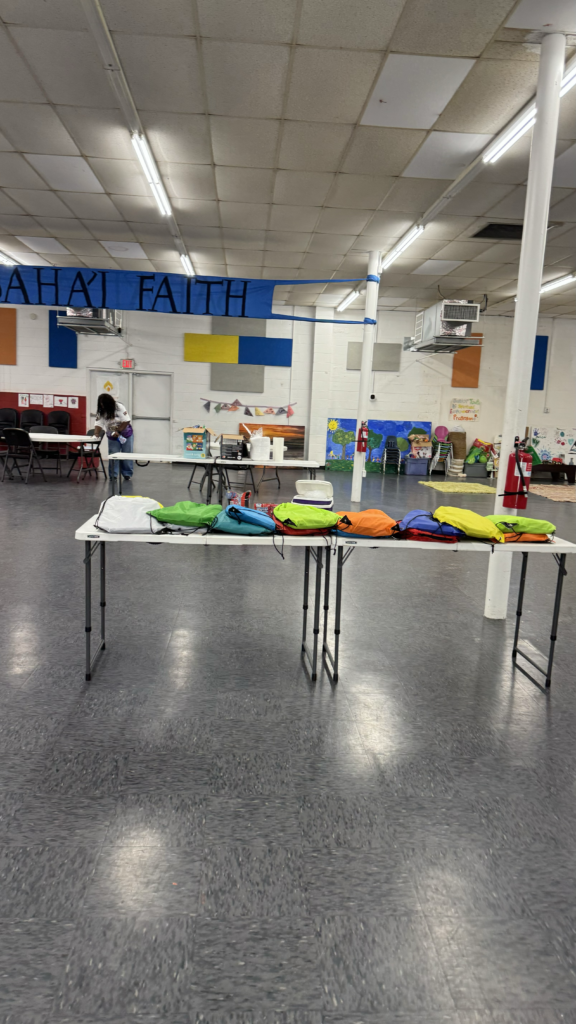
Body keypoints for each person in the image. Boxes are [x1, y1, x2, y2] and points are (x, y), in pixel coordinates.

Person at [94, 393, 134, 480]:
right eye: (101, 404)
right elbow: (98, 423)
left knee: (126, 455)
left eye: (104, 404)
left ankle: (127, 473)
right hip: (112, 436)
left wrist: (118, 431)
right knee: (113, 455)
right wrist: (96, 433)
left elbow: (126, 420)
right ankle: (113, 475)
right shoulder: (101, 411)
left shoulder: (119, 407)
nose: (102, 406)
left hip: (125, 433)